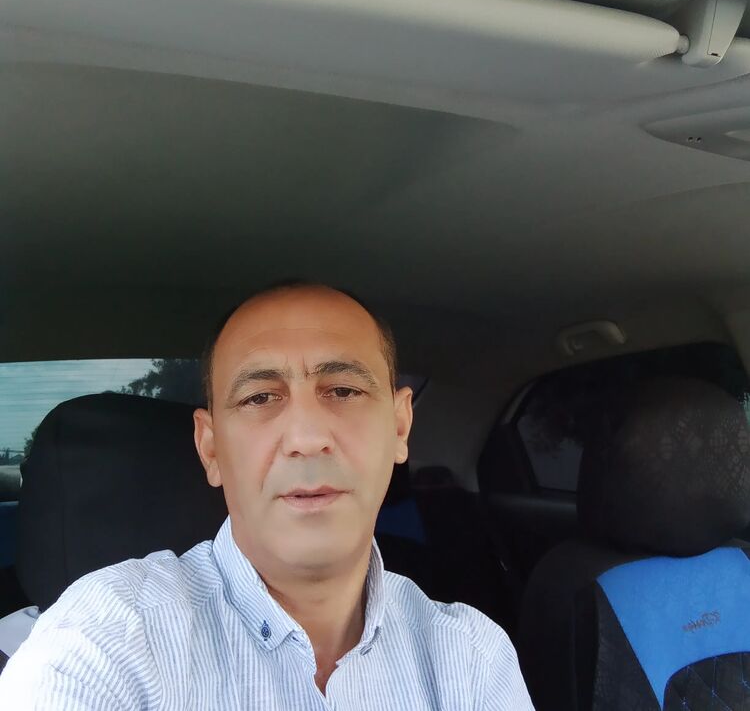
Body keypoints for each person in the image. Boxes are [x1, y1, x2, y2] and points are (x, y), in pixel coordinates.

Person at [0, 281, 534, 709]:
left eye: (343, 390)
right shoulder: (111, 636)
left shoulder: (470, 656)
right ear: (210, 448)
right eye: (259, 397)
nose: (306, 437)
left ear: (399, 427)